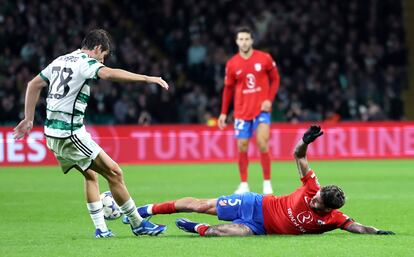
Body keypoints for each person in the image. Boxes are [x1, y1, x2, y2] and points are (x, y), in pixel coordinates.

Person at [13, 29, 168, 238]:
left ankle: (101, 229)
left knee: (90, 174)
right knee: (115, 173)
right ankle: (137, 223)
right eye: (103, 57)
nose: (102, 62)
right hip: (70, 134)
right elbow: (109, 74)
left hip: (51, 133)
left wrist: (29, 119)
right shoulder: (85, 62)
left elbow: (34, 84)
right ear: (96, 48)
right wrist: (147, 78)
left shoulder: (60, 60)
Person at [124, 125, 395, 236]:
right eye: (315, 195)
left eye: (317, 201)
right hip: (255, 205)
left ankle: (198, 229)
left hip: (259, 228)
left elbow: (358, 227)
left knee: (220, 234)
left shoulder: (333, 220)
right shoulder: (312, 186)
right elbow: (297, 155)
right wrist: (305, 140)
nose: (312, 198)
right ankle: (143, 211)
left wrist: (379, 233)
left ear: (328, 209)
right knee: (198, 204)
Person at [218, 26, 280, 195]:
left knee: (262, 142)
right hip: (241, 111)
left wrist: (269, 99)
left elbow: (275, 79)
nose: (244, 42)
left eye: (247, 39)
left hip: (261, 110)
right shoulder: (232, 64)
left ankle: (267, 183)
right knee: (242, 146)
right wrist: (224, 112)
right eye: (241, 39)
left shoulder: (264, 58)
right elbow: (228, 89)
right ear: (237, 42)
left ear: (252, 40)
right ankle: (244, 184)